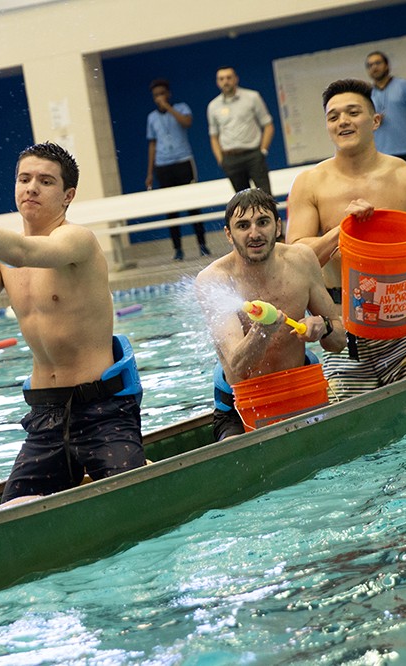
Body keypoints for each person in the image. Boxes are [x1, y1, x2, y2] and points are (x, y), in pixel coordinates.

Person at [0, 142, 145, 503]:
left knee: (134, 502)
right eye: (24, 178)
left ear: (68, 196)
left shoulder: (77, 240)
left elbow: (25, 252)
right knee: (12, 515)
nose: (31, 187)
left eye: (45, 181)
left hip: (102, 412)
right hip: (45, 414)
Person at [286, 78, 406, 401]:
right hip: (341, 329)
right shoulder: (309, 184)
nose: (343, 122)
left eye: (353, 112)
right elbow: (296, 258)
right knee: (351, 426)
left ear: (376, 120)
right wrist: (343, 229)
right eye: (333, 116)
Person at [195, 188, 346, 441]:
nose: (254, 234)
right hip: (241, 405)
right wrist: (263, 330)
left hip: (300, 390)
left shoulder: (302, 260)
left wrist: (324, 328)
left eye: (262, 222)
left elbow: (340, 342)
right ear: (229, 235)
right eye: (243, 226)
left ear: (277, 227)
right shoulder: (214, 281)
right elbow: (239, 366)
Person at [145, 78, 210, 261]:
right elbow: (152, 144)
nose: (159, 97)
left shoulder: (181, 107)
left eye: (162, 94)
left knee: (193, 206)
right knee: (171, 210)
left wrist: (168, 107)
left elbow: (186, 122)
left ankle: (202, 245)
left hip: (183, 162)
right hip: (163, 166)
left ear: (168, 94)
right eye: (156, 95)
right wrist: (150, 173)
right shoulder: (152, 118)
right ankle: (178, 249)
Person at [207, 66, 275, 195]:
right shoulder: (213, 106)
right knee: (242, 201)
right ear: (217, 82)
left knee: (266, 196)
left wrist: (263, 151)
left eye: (228, 78)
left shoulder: (252, 97)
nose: (225, 81)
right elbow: (214, 136)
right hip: (231, 159)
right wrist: (221, 160)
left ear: (236, 79)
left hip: (253, 155)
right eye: (221, 79)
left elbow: (268, 125)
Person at [365, 50, 406, 166]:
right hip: (381, 153)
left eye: (378, 63)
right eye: (370, 65)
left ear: (387, 65)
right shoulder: (367, 93)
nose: (374, 67)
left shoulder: (403, 85)